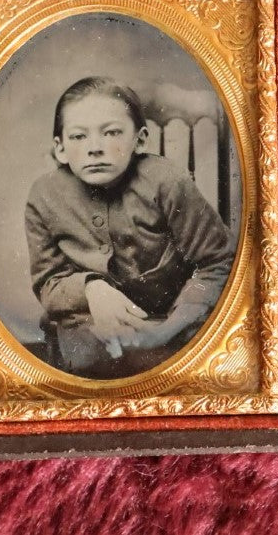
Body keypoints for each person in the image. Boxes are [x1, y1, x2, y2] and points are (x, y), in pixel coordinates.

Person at [25, 76, 234, 378]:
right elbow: (48, 282)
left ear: (140, 139)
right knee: (89, 369)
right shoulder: (44, 195)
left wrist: (171, 327)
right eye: (78, 137)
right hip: (85, 323)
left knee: (176, 369)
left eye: (111, 133)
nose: (95, 148)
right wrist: (91, 290)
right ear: (60, 148)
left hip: (171, 320)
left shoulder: (167, 182)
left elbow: (218, 261)